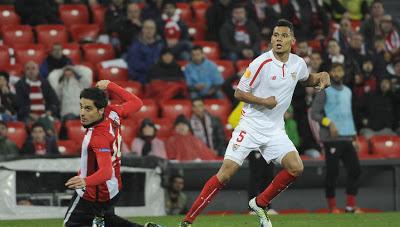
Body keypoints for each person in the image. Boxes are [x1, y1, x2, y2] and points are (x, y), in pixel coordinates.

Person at [179, 19, 331, 227]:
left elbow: (306, 79)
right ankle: (187, 222)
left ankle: (260, 203)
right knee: (226, 173)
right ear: (271, 39)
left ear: (292, 41)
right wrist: (263, 101)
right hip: (250, 126)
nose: (279, 39)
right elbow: (239, 92)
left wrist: (323, 75)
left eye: (284, 36)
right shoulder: (261, 63)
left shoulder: (298, 63)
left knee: (296, 168)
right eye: (276, 35)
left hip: (275, 130)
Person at [63, 80, 162, 227]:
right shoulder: (113, 112)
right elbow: (137, 102)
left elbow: (105, 172)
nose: (82, 113)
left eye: (88, 109)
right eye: (81, 107)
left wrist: (85, 181)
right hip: (113, 189)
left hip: (94, 193)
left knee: (69, 224)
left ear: (101, 110)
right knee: (109, 220)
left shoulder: (98, 137)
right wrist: (110, 85)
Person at [311, 63, 362, 213]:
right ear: (331, 73)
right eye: (334, 71)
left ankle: (350, 206)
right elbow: (314, 113)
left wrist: (355, 137)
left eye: (340, 70)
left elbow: (349, 115)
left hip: (347, 137)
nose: (337, 73)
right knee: (332, 173)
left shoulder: (348, 91)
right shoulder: (324, 91)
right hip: (331, 139)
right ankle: (332, 207)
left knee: (355, 170)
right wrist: (329, 123)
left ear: (343, 72)